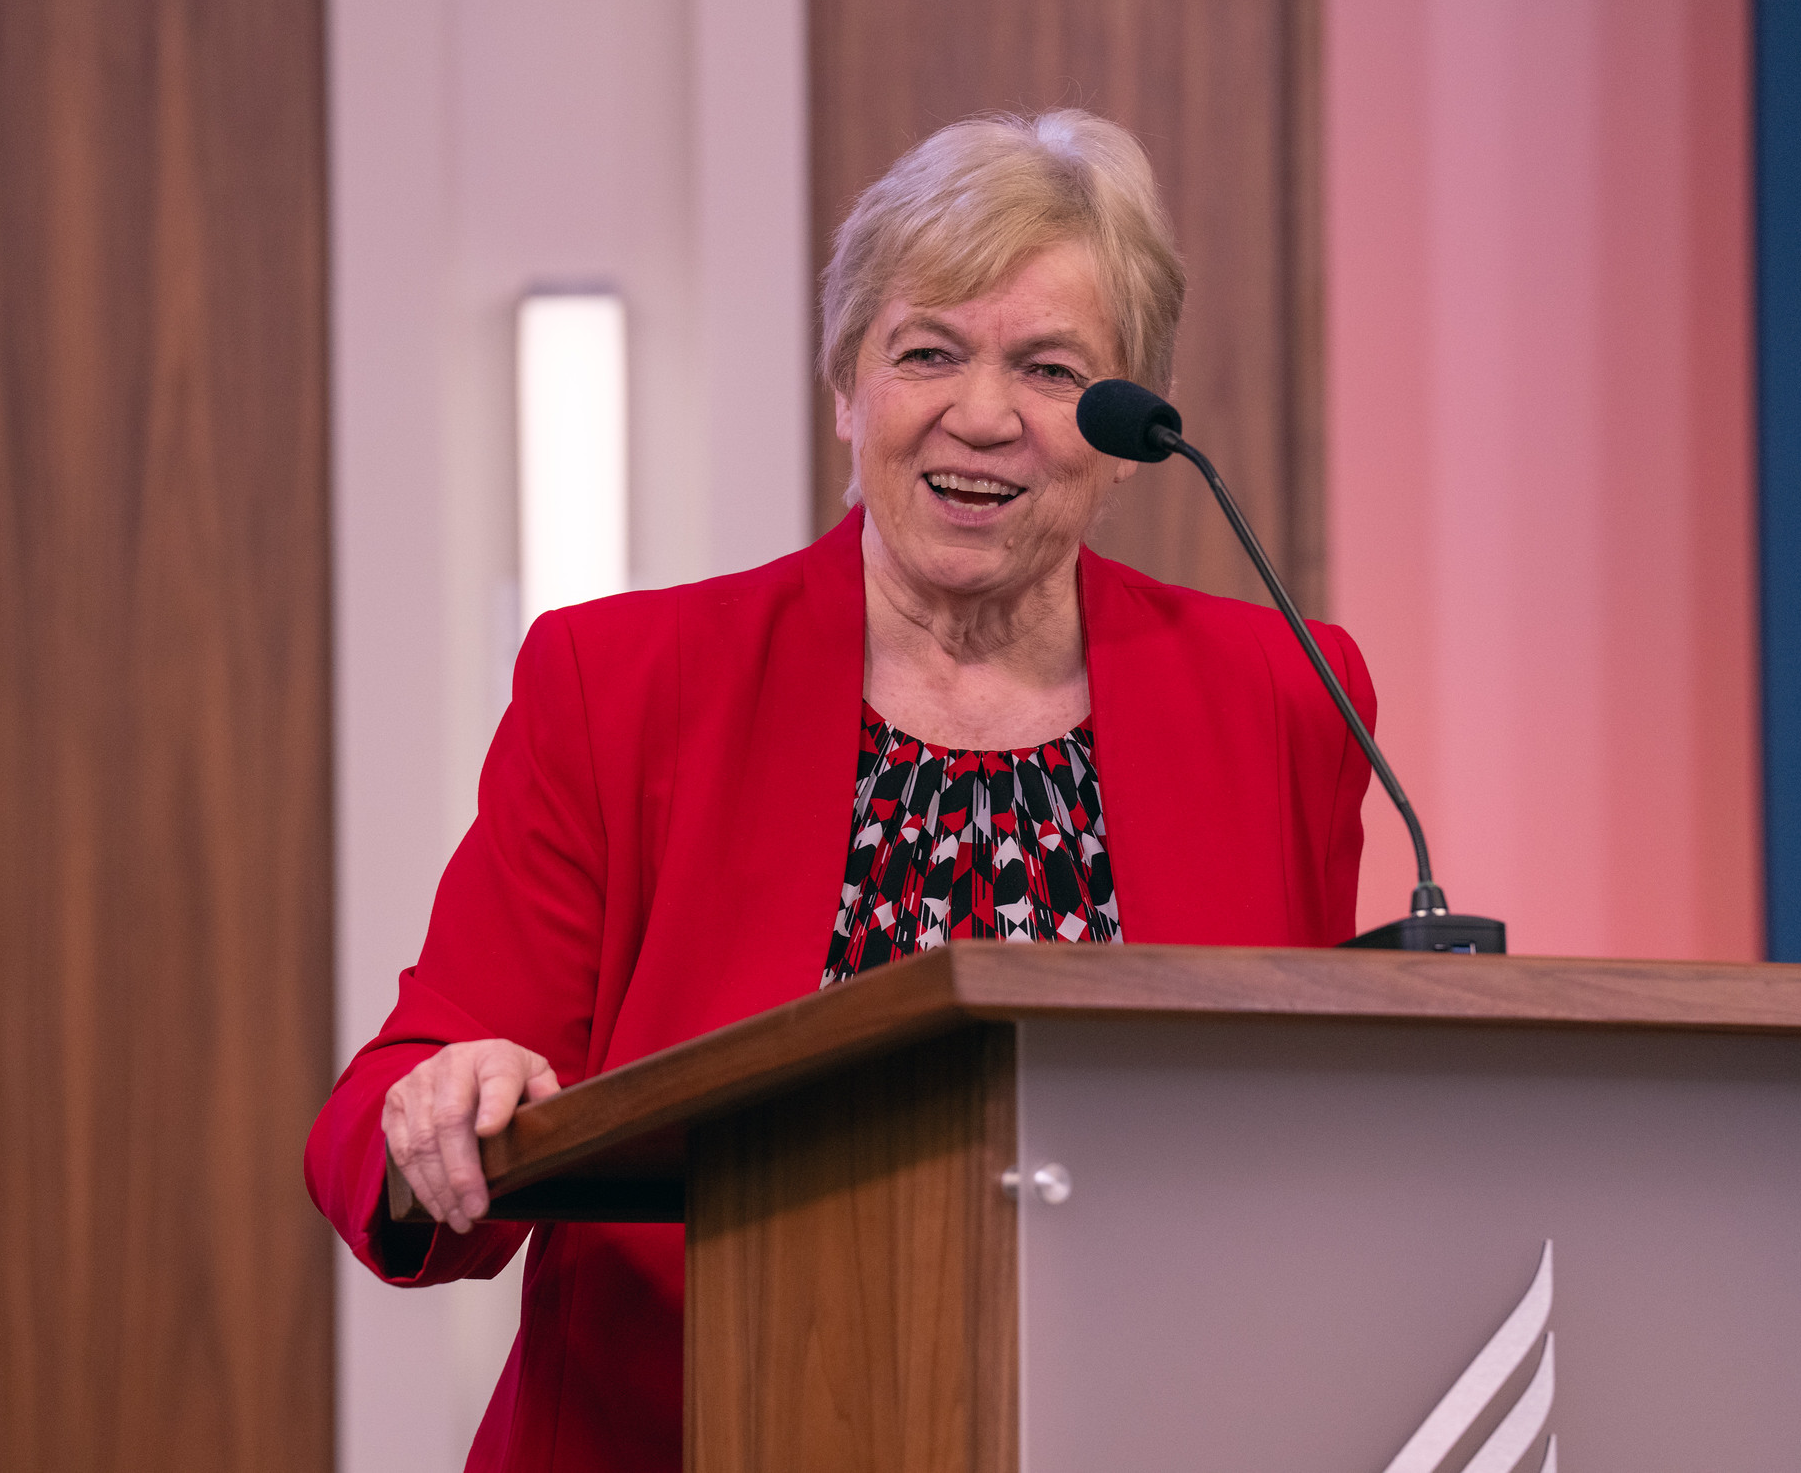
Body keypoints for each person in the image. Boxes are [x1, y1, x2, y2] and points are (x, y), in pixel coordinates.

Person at [306, 109, 1374, 1473]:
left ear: (1126, 431)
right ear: (845, 391)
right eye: (925, 352)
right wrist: (441, 1108)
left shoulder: (1283, 695)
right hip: (690, 1427)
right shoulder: (624, 680)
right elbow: (405, 1091)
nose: (980, 415)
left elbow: (1315, 1135)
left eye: (1051, 370)